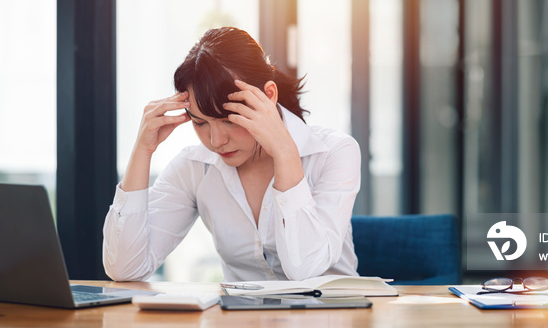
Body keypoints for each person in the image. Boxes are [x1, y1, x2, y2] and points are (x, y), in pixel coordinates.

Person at [102, 27, 361, 282]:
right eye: (200, 123)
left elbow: (305, 269)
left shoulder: (334, 153)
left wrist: (284, 152)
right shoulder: (195, 168)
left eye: (229, 119)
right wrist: (142, 150)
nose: (216, 141)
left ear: (268, 96)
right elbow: (125, 269)